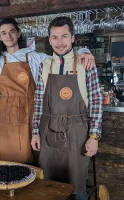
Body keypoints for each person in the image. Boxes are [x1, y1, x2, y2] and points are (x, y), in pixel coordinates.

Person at [0, 18, 96, 164]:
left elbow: (63, 56)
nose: (8, 36)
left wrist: (84, 51)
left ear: (19, 33)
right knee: (6, 157)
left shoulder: (35, 57)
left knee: (30, 159)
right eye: (4, 33)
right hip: (6, 116)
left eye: (12, 31)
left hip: (30, 112)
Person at [30, 17, 103, 199]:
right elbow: (38, 100)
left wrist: (94, 136)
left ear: (72, 38)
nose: (59, 42)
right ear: (49, 40)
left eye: (64, 36)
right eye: (55, 37)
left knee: (77, 188)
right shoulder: (44, 65)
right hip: (48, 130)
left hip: (77, 132)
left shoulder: (85, 63)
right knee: (49, 187)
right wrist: (35, 132)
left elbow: (96, 99)